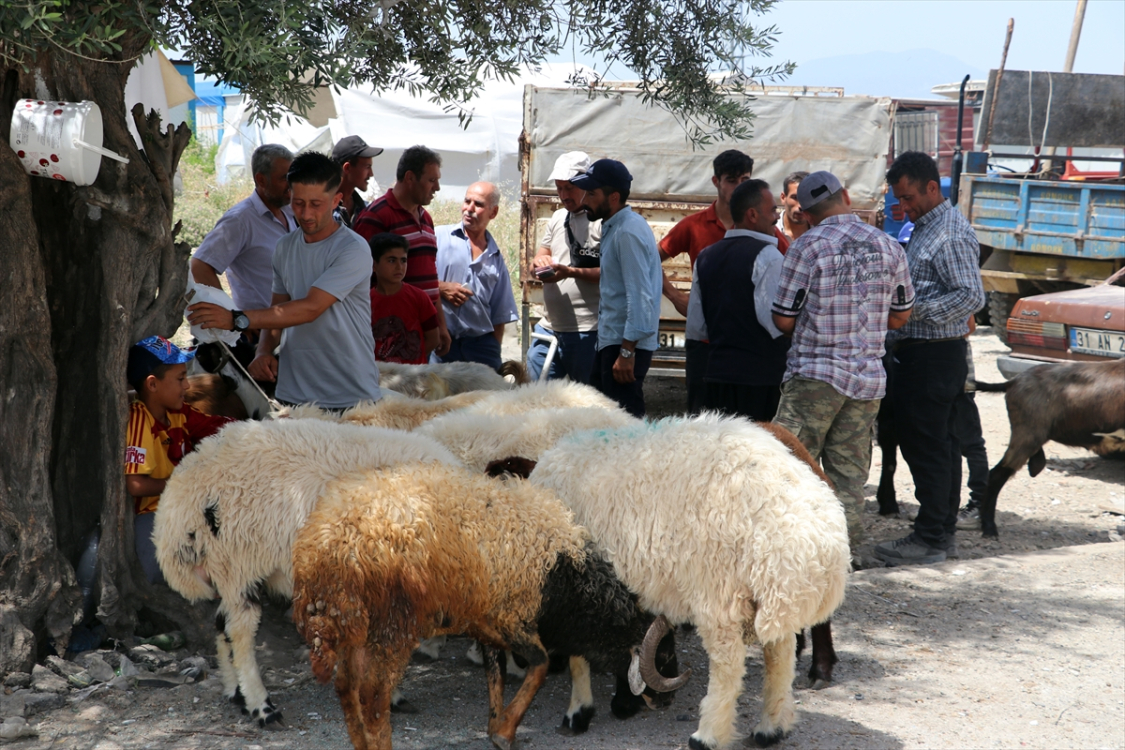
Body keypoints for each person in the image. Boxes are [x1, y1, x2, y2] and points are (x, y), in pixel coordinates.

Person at [770, 171, 915, 552]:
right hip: (867, 381)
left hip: (814, 377)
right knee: (849, 477)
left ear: (807, 212)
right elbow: (901, 315)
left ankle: (789, 554)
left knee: (790, 470)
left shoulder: (806, 246)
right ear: (846, 196)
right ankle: (843, 558)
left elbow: (783, 319)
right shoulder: (889, 246)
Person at [187, 151, 382, 410]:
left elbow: (311, 307)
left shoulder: (353, 248)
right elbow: (278, 309)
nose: (306, 213)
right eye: (298, 202)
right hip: (293, 394)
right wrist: (264, 351)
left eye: (316, 204)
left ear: (337, 200)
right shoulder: (285, 247)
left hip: (348, 395)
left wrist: (236, 319)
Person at [874, 151, 986, 566]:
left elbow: (971, 297)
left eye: (909, 197)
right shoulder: (922, 226)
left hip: (934, 355)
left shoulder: (950, 233)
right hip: (924, 354)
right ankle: (940, 533)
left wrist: (909, 311)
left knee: (929, 447)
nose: (904, 206)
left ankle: (930, 538)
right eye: (899, 199)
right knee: (938, 444)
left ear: (931, 188)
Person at [658, 150, 789, 413]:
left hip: (721, 359)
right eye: (732, 179)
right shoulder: (695, 226)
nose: (740, 185)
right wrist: (674, 296)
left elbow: (698, 326)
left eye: (745, 179)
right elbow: (775, 322)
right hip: (732, 363)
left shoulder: (771, 241)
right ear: (716, 181)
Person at [125, 336, 232, 583]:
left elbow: (216, 426)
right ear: (152, 385)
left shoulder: (178, 413)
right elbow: (136, 485)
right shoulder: (139, 420)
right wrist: (186, 481)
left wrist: (261, 429)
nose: (187, 386)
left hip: (183, 505)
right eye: (181, 378)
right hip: (154, 515)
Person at [691, 179, 790, 421]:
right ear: (752, 215)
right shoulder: (769, 256)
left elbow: (697, 327)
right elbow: (777, 324)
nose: (777, 216)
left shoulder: (705, 257)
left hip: (716, 378)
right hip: (760, 382)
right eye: (773, 210)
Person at [189, 144, 295, 369]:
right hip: (259, 334)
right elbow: (199, 265)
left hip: (293, 326)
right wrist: (234, 316)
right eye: (284, 178)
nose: (291, 185)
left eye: (293, 177)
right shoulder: (240, 220)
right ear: (261, 179)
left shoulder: (291, 211)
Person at [571, 159, 662, 417]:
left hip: (624, 345)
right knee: (605, 422)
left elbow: (641, 297)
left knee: (626, 428)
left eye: (591, 193)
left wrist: (626, 351)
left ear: (613, 197)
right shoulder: (616, 227)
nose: (583, 200)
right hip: (613, 340)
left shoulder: (627, 232)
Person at [354, 145, 452, 357]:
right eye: (431, 180)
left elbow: (430, 277)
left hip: (423, 330)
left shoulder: (425, 218)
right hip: (389, 339)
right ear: (410, 177)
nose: (437, 188)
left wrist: (440, 325)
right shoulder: (376, 216)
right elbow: (358, 277)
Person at [527, 151, 601, 383]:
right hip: (548, 328)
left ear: (587, 185)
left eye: (569, 188)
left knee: (586, 405)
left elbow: (611, 274)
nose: (563, 195)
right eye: (559, 188)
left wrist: (569, 272)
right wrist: (538, 265)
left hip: (588, 331)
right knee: (535, 400)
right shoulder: (558, 218)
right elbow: (539, 257)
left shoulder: (602, 221)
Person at [433, 182, 519, 370]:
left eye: (478, 204)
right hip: (440, 342)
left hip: (481, 348)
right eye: (467, 201)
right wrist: (441, 287)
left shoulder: (495, 256)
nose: (469, 209)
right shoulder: (438, 237)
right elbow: (413, 279)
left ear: (493, 212)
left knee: (489, 398)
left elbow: (500, 313)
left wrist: (492, 349)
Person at [369, 232, 439, 364]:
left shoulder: (419, 297)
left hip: (414, 376)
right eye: (391, 260)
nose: (399, 267)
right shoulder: (365, 301)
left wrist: (412, 361)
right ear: (373, 265)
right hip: (378, 375)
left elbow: (434, 338)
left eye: (403, 260)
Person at [331, 135, 383, 229]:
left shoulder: (363, 209)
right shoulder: (322, 208)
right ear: (347, 168)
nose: (371, 174)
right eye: (367, 167)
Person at [777, 170, 811, 242]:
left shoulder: (820, 234)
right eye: (795, 198)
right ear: (783, 197)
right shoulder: (771, 232)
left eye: (806, 198)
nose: (800, 206)